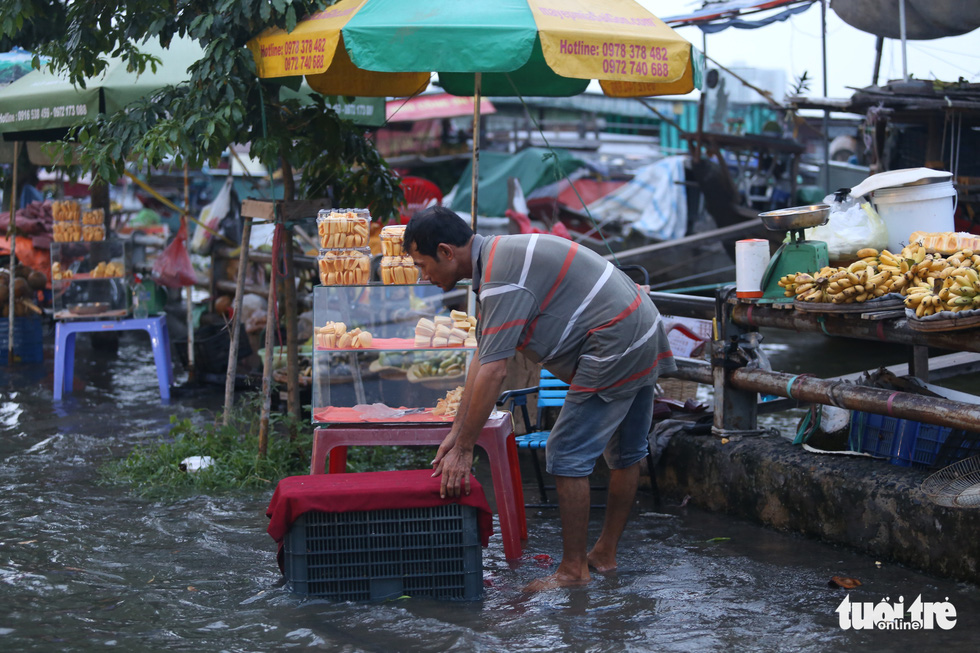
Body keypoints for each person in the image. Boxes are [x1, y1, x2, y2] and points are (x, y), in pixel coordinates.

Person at [404, 206, 676, 591]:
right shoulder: (497, 258)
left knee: (565, 454)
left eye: (423, 264)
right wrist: (457, 434)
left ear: (447, 252)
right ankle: (605, 554)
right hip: (640, 324)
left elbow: (495, 371)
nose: (423, 276)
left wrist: (465, 448)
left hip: (616, 340)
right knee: (626, 452)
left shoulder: (500, 278)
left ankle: (572, 571)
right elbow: (483, 356)